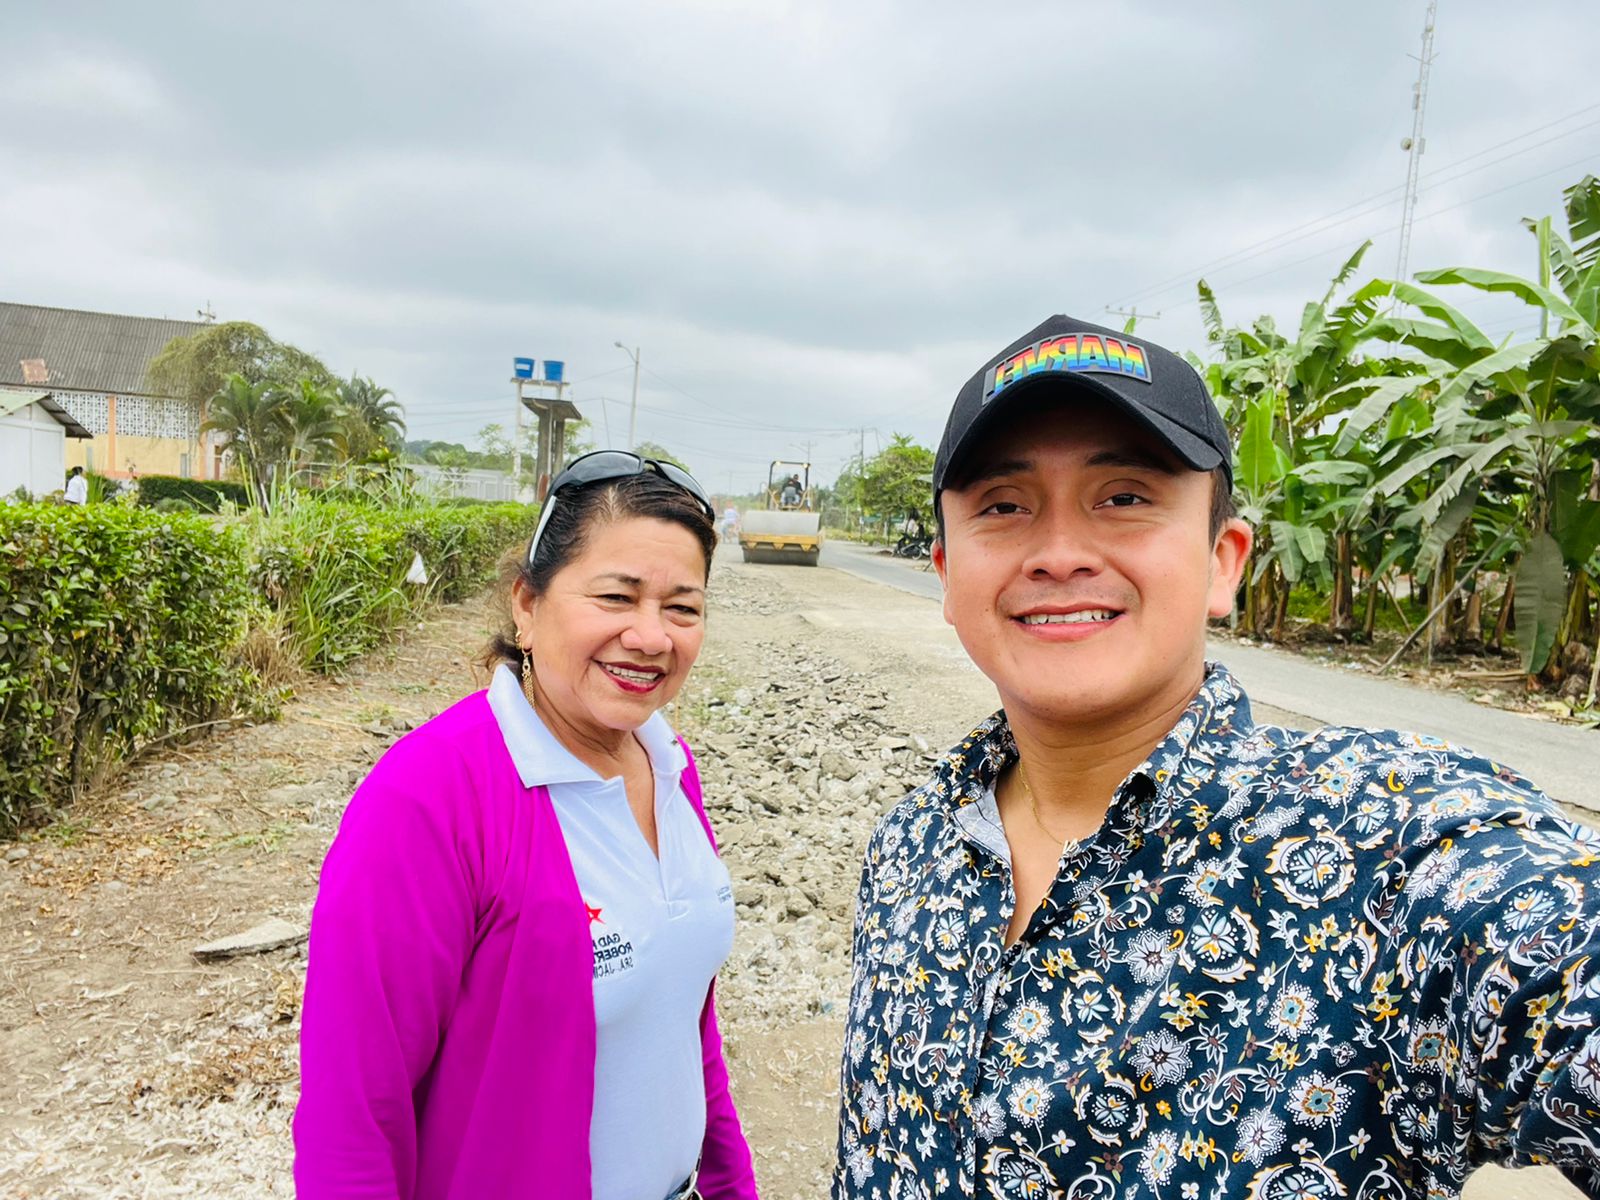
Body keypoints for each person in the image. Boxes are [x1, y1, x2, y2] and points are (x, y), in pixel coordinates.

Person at [832, 315, 1600, 1199]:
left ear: (1223, 562)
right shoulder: (909, 845)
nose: (1059, 555)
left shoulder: (1387, 846)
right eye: (1003, 506)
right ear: (944, 572)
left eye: (1124, 496)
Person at [296, 450, 759, 1200]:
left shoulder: (669, 764)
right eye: (616, 596)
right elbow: (352, 1116)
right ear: (526, 605)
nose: (651, 637)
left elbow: (682, 1020)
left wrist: (731, 1183)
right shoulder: (430, 798)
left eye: (683, 608)